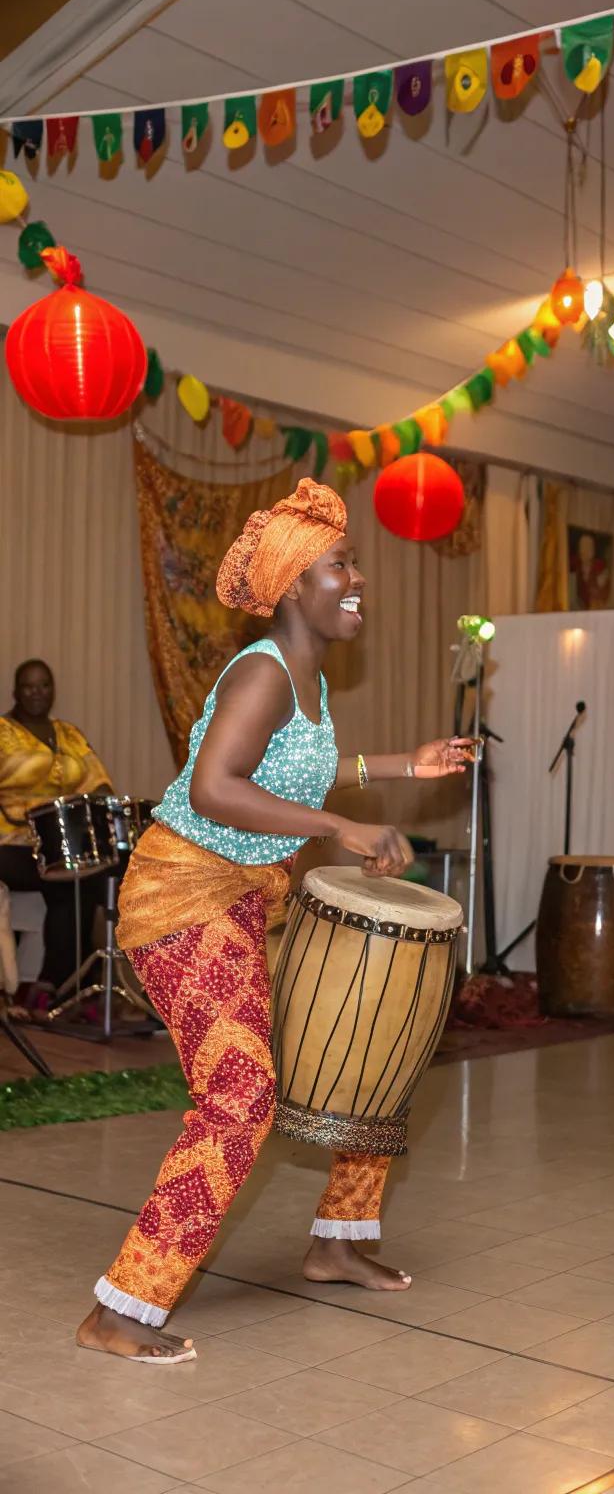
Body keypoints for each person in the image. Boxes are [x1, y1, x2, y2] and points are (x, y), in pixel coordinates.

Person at [76, 478, 473, 1364]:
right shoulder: (260, 670)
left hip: (252, 896)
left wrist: (406, 763)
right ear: (296, 584)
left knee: (374, 1045)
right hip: (183, 895)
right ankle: (121, 1309)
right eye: (341, 565)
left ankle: (338, 1241)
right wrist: (342, 827)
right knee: (240, 1098)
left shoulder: (307, 679)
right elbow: (218, 785)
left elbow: (290, 771)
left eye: (355, 562)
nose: (358, 578)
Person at [0, 661, 112, 991]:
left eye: (44, 685)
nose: (37, 692)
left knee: (90, 879)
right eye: (29, 686)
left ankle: (65, 988)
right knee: (65, 880)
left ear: (53, 691)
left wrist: (102, 798)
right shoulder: (3, 732)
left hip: (63, 842)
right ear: (15, 692)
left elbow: (99, 783)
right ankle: (56, 986)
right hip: (9, 842)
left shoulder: (69, 734)